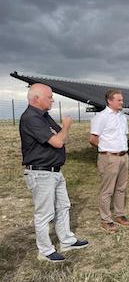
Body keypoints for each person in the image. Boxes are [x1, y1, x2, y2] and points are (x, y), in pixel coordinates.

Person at [20, 83, 88, 263]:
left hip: (54, 172)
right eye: (49, 97)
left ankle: (66, 240)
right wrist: (66, 126)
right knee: (45, 213)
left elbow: (58, 137)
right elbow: (58, 141)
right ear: (36, 99)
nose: (52, 100)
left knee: (63, 206)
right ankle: (45, 251)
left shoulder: (44, 116)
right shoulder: (31, 118)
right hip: (41, 173)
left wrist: (59, 133)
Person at [90, 89, 129, 233]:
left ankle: (119, 214)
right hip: (109, 158)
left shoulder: (122, 117)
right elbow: (93, 139)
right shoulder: (101, 117)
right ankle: (105, 220)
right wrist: (106, 150)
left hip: (124, 156)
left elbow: (123, 136)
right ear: (110, 101)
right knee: (107, 190)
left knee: (121, 188)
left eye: (122, 100)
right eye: (119, 100)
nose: (122, 102)